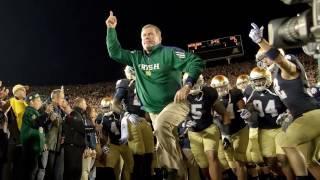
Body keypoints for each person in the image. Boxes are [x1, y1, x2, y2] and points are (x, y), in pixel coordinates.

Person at [106, 11, 204, 178]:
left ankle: (175, 170)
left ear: (160, 38)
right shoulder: (136, 57)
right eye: (144, 35)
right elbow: (115, 52)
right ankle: (180, 174)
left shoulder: (170, 53)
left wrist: (187, 85)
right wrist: (111, 29)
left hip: (175, 104)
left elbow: (195, 61)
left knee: (160, 128)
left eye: (151, 34)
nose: (147, 37)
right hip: (153, 111)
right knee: (163, 144)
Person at [249, 22, 320, 179]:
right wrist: (289, 113)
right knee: (310, 162)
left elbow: (281, 61)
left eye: (264, 59)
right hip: (303, 117)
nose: (263, 64)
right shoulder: (276, 77)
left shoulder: (286, 68)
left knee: (282, 138)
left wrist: (261, 42)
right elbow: (293, 96)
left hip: (311, 115)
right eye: (260, 61)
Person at [243, 67, 294, 179]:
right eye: (255, 81)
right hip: (264, 130)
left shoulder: (277, 89)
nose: (258, 83)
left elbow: (290, 106)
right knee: (270, 162)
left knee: (283, 158)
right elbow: (248, 107)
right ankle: (282, 176)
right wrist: (248, 113)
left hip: (280, 128)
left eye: (261, 79)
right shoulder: (249, 90)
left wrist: (287, 114)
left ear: (268, 78)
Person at [182, 73, 230, 180]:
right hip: (193, 133)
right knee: (203, 165)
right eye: (191, 83)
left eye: (195, 82)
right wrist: (186, 122)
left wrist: (226, 134)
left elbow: (224, 113)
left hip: (209, 128)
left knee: (212, 156)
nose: (193, 85)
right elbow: (179, 115)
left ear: (201, 82)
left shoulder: (209, 92)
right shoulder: (182, 95)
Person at [112, 65, 154, 180]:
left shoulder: (143, 83)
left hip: (143, 119)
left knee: (150, 152)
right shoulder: (124, 83)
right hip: (132, 120)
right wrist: (126, 114)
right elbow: (114, 104)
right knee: (138, 154)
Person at [211, 75, 249, 180]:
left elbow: (242, 108)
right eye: (218, 88)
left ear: (228, 85)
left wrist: (244, 111)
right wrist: (224, 134)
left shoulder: (235, 93)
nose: (221, 90)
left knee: (239, 159)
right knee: (227, 161)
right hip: (222, 132)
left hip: (238, 129)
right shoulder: (210, 99)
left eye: (223, 87)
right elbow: (214, 118)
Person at [20, 92, 53, 180]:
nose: (40, 102)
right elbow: (36, 123)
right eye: (38, 100)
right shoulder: (29, 112)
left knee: (34, 170)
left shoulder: (36, 112)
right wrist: (46, 113)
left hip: (36, 147)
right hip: (30, 148)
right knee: (30, 172)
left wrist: (49, 119)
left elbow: (41, 127)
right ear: (31, 102)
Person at [63, 97, 87, 180]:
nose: (86, 105)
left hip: (77, 148)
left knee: (76, 173)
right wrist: (93, 128)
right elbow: (80, 127)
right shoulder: (74, 113)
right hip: (72, 148)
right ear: (80, 104)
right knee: (72, 173)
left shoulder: (79, 114)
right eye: (85, 103)